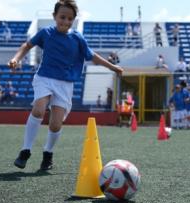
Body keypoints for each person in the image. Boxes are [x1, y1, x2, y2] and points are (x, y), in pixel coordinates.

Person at [10, 0, 123, 171]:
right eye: (62, 17)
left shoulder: (77, 38)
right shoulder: (46, 33)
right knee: (39, 110)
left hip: (65, 84)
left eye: (70, 19)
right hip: (44, 78)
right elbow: (27, 45)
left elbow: (92, 56)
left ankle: (48, 154)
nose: (66, 21)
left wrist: (113, 67)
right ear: (54, 16)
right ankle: (25, 151)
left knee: (56, 124)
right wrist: (16, 58)